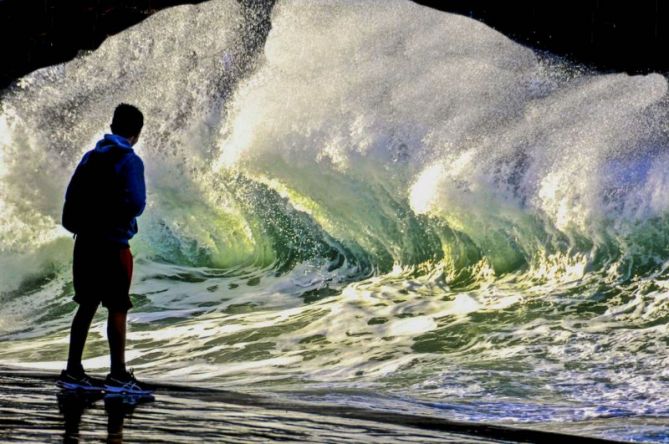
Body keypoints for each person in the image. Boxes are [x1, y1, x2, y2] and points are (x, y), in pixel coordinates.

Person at [57, 104, 151, 395]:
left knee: (85, 307)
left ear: (111, 127)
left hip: (85, 243)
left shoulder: (89, 158)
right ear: (137, 133)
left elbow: (70, 201)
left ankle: (73, 371)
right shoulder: (130, 160)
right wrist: (113, 217)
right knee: (118, 308)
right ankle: (118, 376)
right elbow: (136, 204)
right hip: (113, 246)